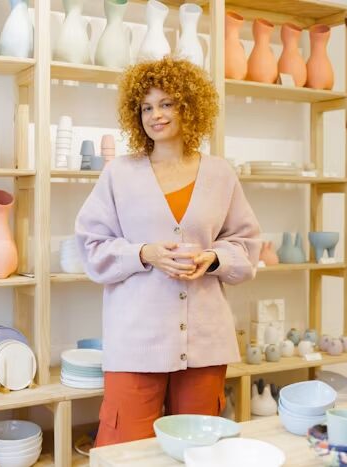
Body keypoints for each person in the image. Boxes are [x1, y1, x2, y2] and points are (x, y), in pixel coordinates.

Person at [74, 57, 261, 447]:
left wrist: (214, 258)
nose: (155, 115)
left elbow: (245, 245)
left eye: (166, 104)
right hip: (136, 340)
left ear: (189, 107)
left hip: (205, 342)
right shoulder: (119, 173)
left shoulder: (220, 174)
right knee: (124, 450)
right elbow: (91, 246)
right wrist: (144, 254)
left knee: (198, 449)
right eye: (146, 107)